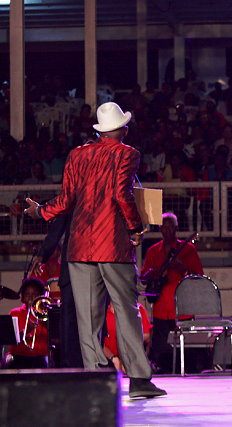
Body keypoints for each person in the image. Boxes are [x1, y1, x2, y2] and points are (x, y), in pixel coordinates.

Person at [24, 101, 166, 398]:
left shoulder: (77, 155)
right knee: (126, 312)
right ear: (123, 129)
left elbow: (65, 200)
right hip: (113, 245)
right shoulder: (127, 154)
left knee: (87, 318)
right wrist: (135, 228)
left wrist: (40, 211)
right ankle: (138, 380)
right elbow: (121, 194)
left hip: (79, 247)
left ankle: (96, 379)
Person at [140, 212, 203, 373]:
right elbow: (143, 277)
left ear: (176, 228)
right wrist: (155, 273)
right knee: (162, 352)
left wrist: (182, 268)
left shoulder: (187, 249)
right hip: (161, 309)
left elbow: (199, 277)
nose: (167, 230)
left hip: (183, 309)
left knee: (186, 351)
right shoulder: (153, 251)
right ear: (160, 229)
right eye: (164, 227)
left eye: (170, 227)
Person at [28, 214, 83, 368]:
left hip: (63, 309)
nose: (52, 252)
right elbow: (31, 294)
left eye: (54, 250)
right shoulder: (39, 270)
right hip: (44, 316)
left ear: (59, 252)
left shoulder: (64, 268)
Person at [4, 278, 50, 369]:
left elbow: (54, 338)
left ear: (41, 297)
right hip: (18, 356)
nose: (31, 298)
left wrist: (46, 322)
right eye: (27, 294)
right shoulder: (15, 313)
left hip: (41, 357)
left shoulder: (46, 314)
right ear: (22, 297)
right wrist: (26, 331)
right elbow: (11, 339)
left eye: (34, 295)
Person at [103, 301, 152, 374]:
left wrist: (127, 357)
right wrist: (114, 359)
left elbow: (146, 335)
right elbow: (98, 342)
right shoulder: (101, 312)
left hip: (131, 356)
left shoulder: (137, 308)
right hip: (107, 358)